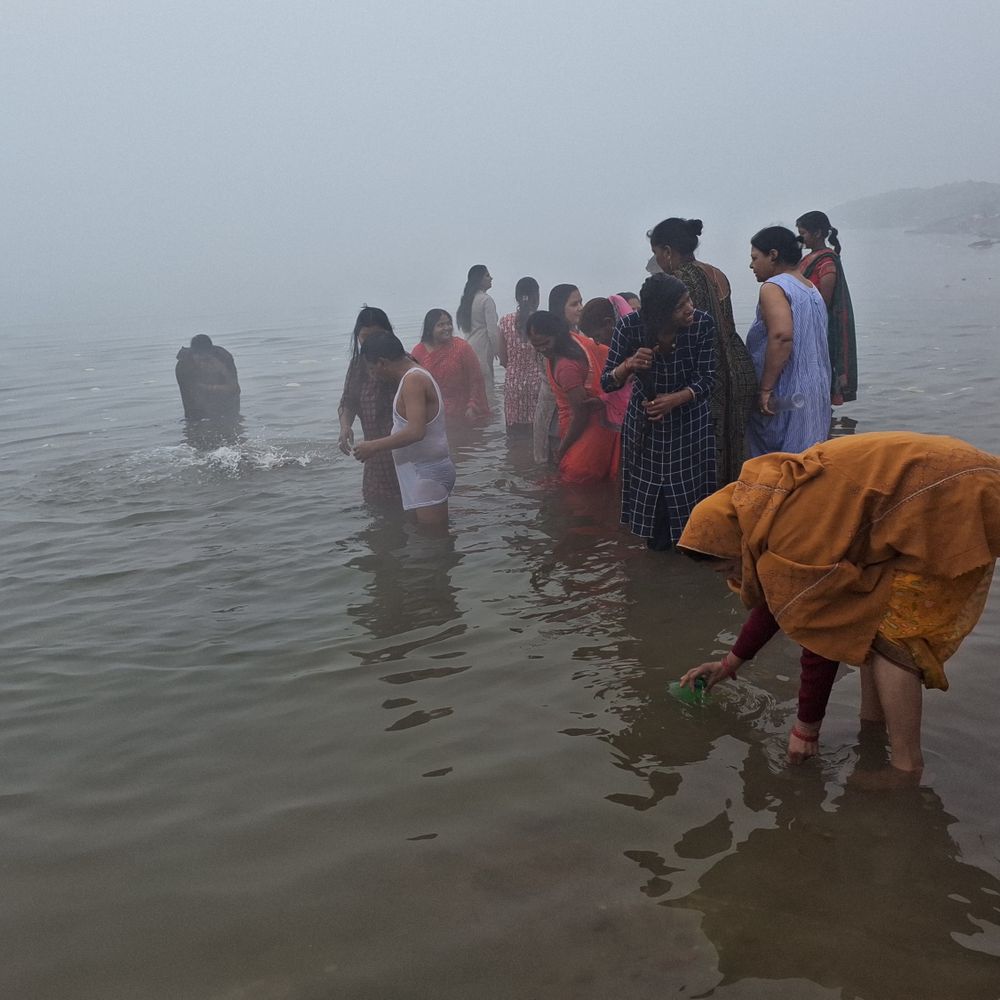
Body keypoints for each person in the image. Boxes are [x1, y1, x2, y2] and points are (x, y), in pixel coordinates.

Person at [676, 432, 1000, 775]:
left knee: (893, 636)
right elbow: (783, 599)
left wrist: (806, 729)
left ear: (736, 544)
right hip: (948, 482)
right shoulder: (760, 508)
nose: (731, 577)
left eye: (728, 568)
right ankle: (872, 732)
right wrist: (729, 664)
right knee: (866, 620)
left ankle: (906, 767)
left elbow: (821, 637)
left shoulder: (792, 535)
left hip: (955, 500)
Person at [601, 274, 716, 549]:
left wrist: (675, 399)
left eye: (688, 300)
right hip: (646, 427)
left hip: (689, 424)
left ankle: (687, 558)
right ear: (660, 315)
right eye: (680, 306)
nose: (690, 308)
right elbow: (606, 382)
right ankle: (657, 563)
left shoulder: (702, 323)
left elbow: (708, 379)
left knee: (692, 503)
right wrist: (628, 365)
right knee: (653, 511)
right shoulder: (630, 327)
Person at [649, 218, 758, 485]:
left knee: (700, 459)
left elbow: (671, 336)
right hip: (737, 368)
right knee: (734, 449)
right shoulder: (716, 273)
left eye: (656, 253)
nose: (657, 260)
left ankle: (706, 508)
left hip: (706, 373)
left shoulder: (674, 282)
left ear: (667, 251)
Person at [353, 331, 456, 527]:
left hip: (427, 474)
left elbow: (416, 431)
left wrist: (373, 446)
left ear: (382, 363)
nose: (373, 374)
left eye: (372, 369)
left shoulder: (413, 380)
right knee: (421, 537)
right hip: (421, 473)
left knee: (433, 541)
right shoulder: (412, 377)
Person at [745, 226, 831, 457]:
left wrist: (765, 389)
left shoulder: (774, 287)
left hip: (786, 391)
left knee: (777, 462)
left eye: (755, 258)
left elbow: (781, 336)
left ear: (773, 255)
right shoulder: (810, 288)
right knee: (808, 458)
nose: (751, 265)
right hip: (814, 390)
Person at [527, 310, 619, 484]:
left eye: (546, 343)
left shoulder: (565, 366)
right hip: (602, 426)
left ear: (557, 335)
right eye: (536, 345)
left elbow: (581, 414)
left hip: (588, 435)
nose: (542, 350)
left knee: (574, 484)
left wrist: (562, 450)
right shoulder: (572, 341)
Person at [338, 306, 401, 507]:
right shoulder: (358, 365)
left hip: (402, 451)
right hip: (373, 457)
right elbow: (348, 401)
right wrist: (345, 426)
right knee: (378, 510)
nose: (369, 343)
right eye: (364, 337)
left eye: (376, 336)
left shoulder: (402, 365)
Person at [797, 210, 858, 407]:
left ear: (817, 233)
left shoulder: (826, 262)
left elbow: (823, 303)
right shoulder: (808, 258)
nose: (800, 238)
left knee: (818, 387)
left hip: (818, 330)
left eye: (803, 233)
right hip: (804, 326)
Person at [533, 284, 585, 465]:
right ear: (560, 308)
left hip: (575, 410)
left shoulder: (580, 335)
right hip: (554, 412)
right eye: (574, 304)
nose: (580, 308)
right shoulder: (548, 341)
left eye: (581, 302)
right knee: (554, 464)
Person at [410, 309, 490, 422]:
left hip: (463, 411)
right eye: (441, 325)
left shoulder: (461, 347)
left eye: (449, 323)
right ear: (430, 329)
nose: (447, 328)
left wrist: (472, 406)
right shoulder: (418, 352)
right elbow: (414, 386)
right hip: (433, 413)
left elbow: (476, 379)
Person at [497, 277, 544, 432]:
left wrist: (515, 368)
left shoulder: (505, 321)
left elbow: (503, 358)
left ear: (517, 297)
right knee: (537, 431)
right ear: (537, 297)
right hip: (538, 384)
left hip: (513, 385)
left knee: (513, 432)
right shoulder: (542, 321)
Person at [456, 265, 499, 405]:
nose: (491, 278)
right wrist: (498, 350)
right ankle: (491, 419)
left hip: (467, 348)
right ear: (479, 279)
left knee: (472, 392)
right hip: (482, 349)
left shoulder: (467, 300)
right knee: (487, 392)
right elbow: (492, 331)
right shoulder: (486, 300)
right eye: (487, 275)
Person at [175, 334, 241, 420]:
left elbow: (235, 390)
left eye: (206, 360)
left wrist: (222, 370)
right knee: (194, 420)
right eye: (199, 359)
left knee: (232, 419)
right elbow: (189, 399)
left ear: (211, 353)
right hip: (197, 404)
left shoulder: (224, 357)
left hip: (226, 401)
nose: (202, 364)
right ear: (193, 354)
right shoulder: (183, 366)